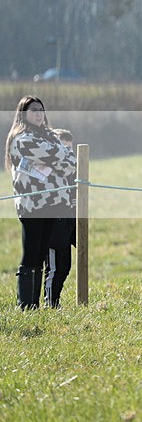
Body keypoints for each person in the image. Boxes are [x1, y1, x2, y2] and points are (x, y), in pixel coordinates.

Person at [5, 96, 76, 309]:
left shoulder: (49, 135)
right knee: (32, 252)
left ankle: (36, 304)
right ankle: (26, 305)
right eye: (33, 109)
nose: (38, 113)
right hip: (32, 204)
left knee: (43, 252)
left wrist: (58, 157)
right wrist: (59, 156)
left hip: (54, 202)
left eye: (41, 109)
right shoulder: (21, 139)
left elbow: (71, 164)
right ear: (23, 113)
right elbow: (57, 155)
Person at [44, 129, 76, 308]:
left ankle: (56, 301)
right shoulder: (50, 174)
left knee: (66, 267)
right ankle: (50, 303)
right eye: (64, 149)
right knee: (54, 268)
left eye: (70, 150)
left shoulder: (73, 172)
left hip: (68, 222)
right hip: (53, 223)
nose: (67, 154)